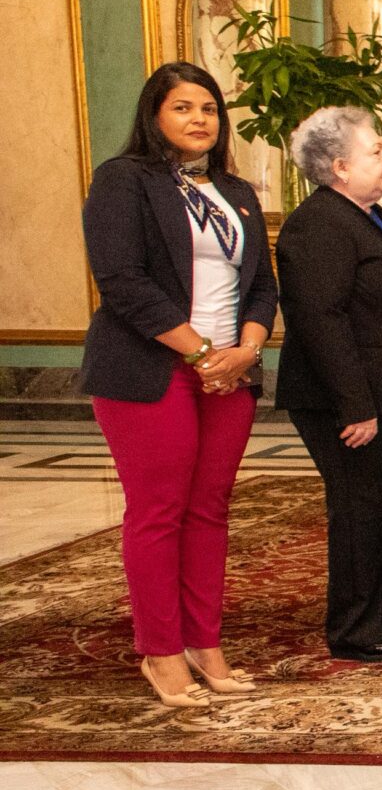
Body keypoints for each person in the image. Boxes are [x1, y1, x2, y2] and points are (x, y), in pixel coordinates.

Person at [79, 61, 274, 704]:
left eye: (209, 110)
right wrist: (201, 354)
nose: (199, 120)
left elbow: (262, 287)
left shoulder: (236, 192)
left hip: (228, 376)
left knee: (209, 511)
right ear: (154, 116)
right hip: (152, 369)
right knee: (159, 513)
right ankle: (160, 652)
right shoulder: (123, 181)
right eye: (184, 108)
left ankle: (204, 643)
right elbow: (121, 280)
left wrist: (244, 350)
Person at [275, 108, 382, 666]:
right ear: (340, 166)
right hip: (346, 399)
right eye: (375, 151)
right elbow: (321, 321)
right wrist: (356, 405)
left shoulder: (368, 218)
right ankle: (353, 628)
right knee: (359, 511)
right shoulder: (318, 223)